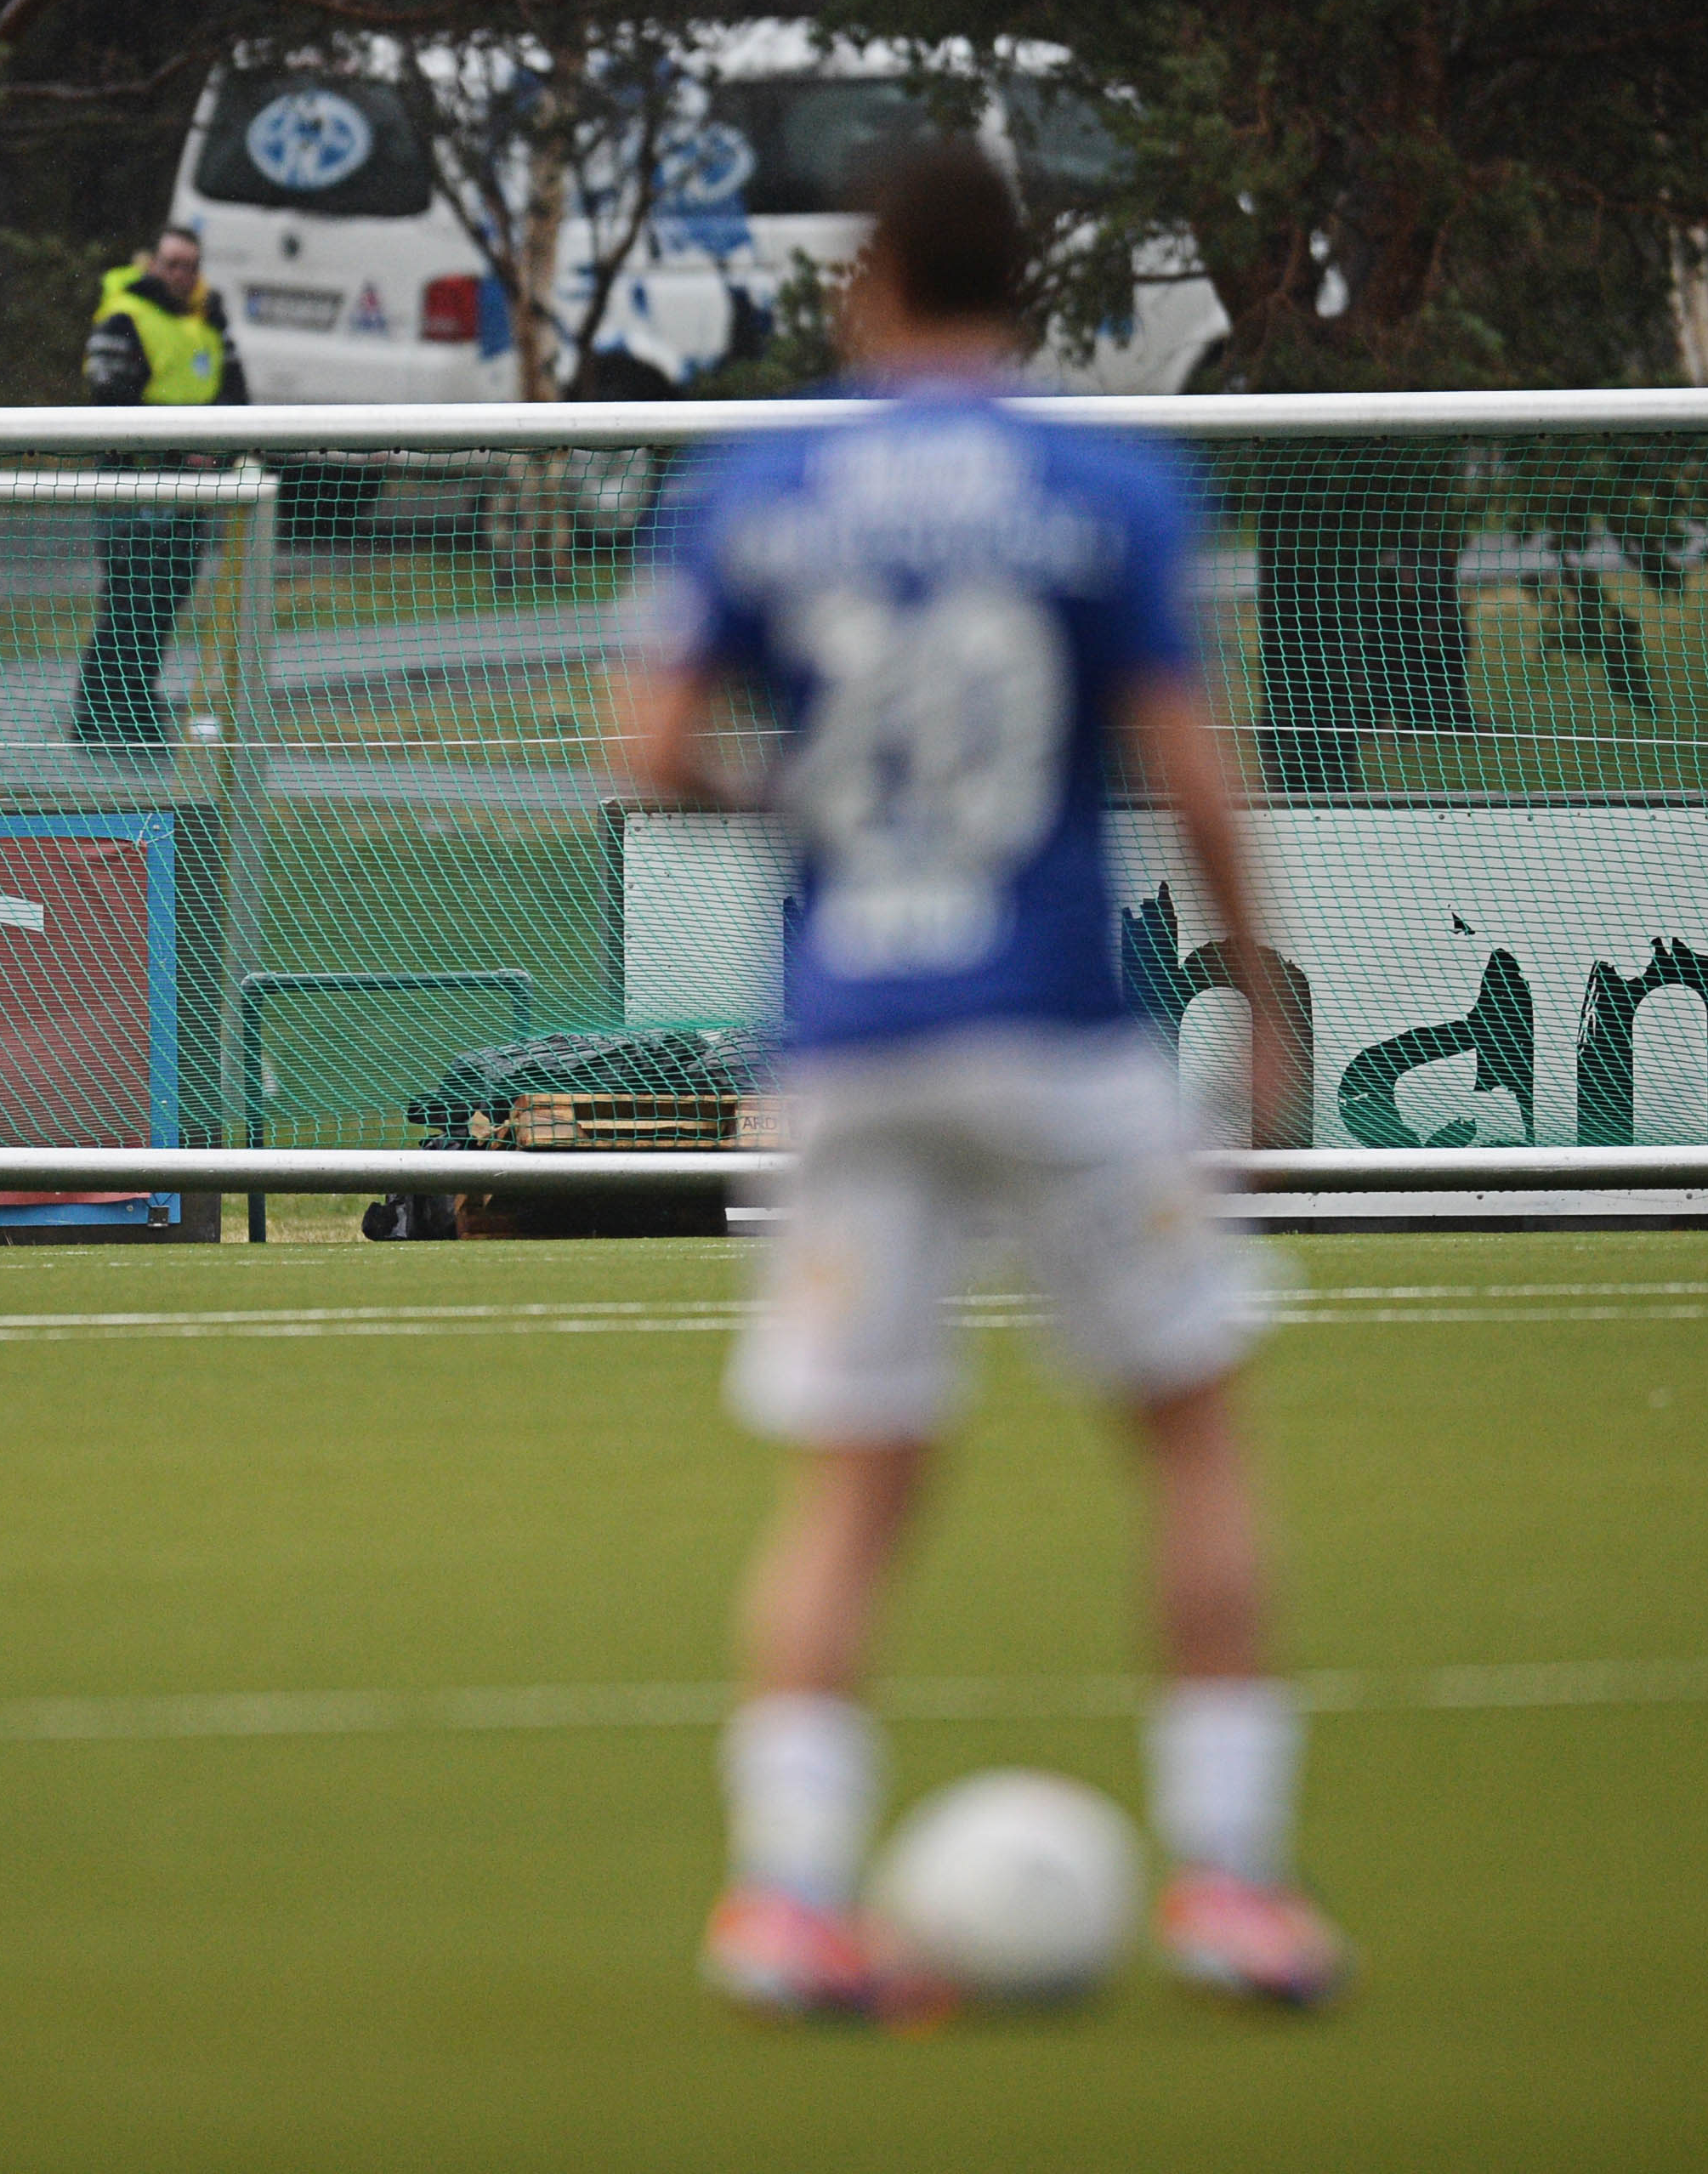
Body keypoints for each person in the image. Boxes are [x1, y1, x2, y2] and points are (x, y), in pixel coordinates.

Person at [612, 141, 1348, 2020]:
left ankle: (782, 1902)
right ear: (1025, 292)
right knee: (1188, 1432)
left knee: (853, 1482)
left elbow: (649, 746)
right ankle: (1232, 1889)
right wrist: (1259, 1007)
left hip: (850, 1037)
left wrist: (796, 799)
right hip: (1057, 1030)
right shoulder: (1103, 480)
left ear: (865, 284)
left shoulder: (758, 479)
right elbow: (1188, 764)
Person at [71, 224, 247, 757]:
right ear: (153, 263)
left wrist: (217, 451)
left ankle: (129, 705)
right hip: (134, 483)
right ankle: (104, 714)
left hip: (190, 492)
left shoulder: (209, 322)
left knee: (167, 600)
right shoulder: (124, 317)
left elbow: (236, 395)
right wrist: (179, 448)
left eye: (190, 265)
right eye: (171, 263)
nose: (180, 274)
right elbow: (112, 397)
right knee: (130, 600)